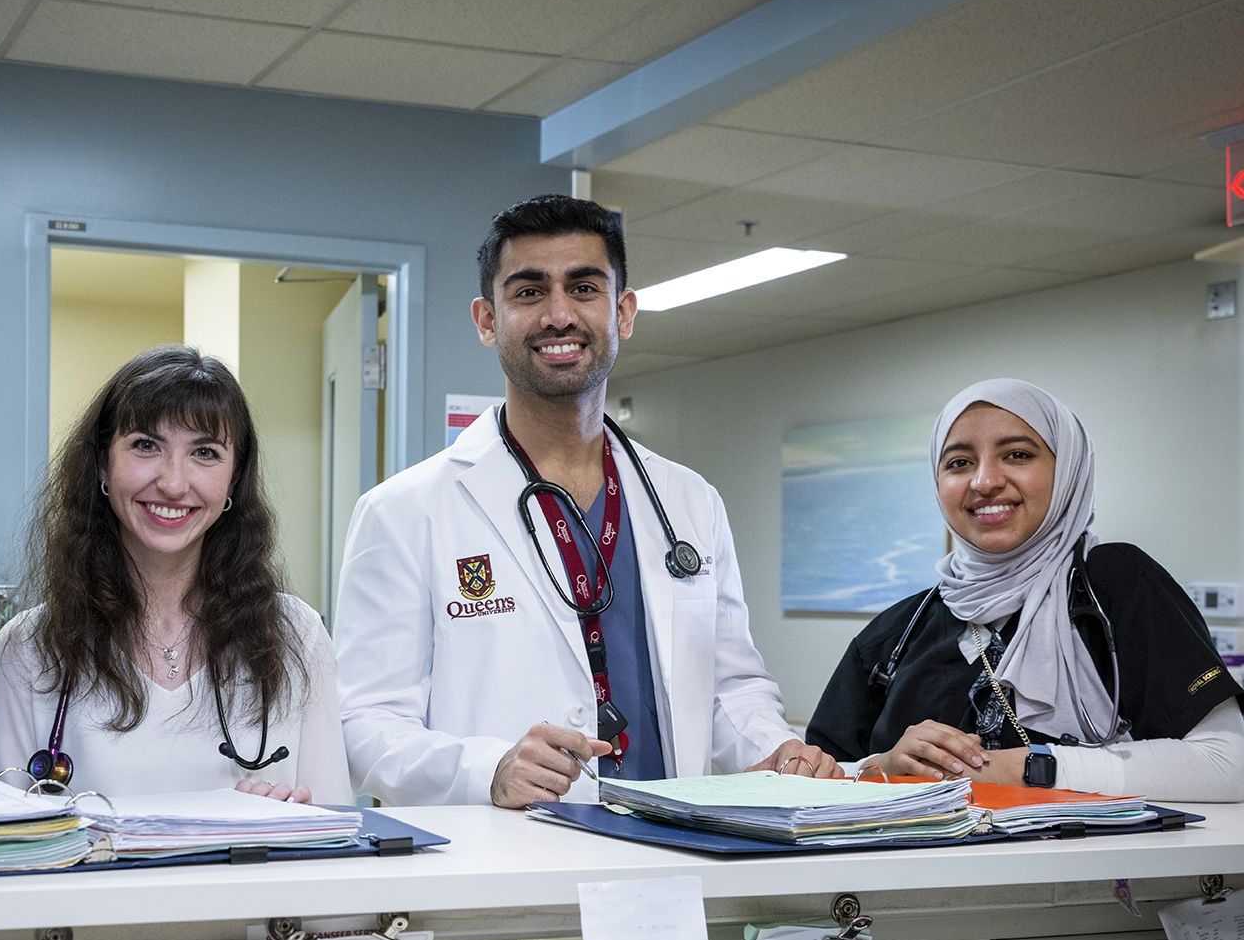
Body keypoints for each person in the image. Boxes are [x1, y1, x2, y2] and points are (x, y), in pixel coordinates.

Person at [333, 194, 833, 808]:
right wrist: (486, 769)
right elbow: (363, 722)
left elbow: (729, 688)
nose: (558, 314)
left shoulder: (688, 501)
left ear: (622, 311)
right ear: (487, 320)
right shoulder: (404, 511)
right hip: (507, 868)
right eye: (528, 292)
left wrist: (773, 748)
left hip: (675, 854)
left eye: (584, 287)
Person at [804, 379, 1244, 799]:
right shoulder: (893, 636)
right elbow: (824, 780)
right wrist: (884, 767)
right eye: (959, 462)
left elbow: (1229, 765)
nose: (984, 482)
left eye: (1016, 455)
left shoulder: (1116, 585)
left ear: (1067, 467)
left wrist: (1030, 768)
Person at [0, 345, 352, 804]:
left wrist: (286, 829)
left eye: (205, 452)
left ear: (234, 478)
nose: (174, 483)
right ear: (102, 463)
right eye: (146, 445)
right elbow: (9, 853)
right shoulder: (30, 647)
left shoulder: (298, 636)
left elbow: (337, 834)